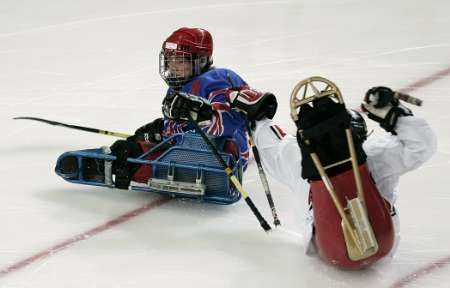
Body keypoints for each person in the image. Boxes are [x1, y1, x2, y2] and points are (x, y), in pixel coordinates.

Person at [230, 84, 437, 268]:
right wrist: (394, 113)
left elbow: (271, 148)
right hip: (382, 241)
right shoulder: (375, 154)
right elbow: (422, 146)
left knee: (291, 156)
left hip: (327, 248)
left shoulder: (296, 155)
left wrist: (258, 119)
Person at [109, 27, 258, 189]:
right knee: (126, 150)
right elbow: (181, 131)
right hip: (188, 154)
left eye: (180, 60)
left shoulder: (217, 80)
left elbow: (227, 124)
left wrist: (202, 116)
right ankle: (118, 161)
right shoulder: (178, 86)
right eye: (170, 60)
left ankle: (135, 166)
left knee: (136, 159)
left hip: (223, 161)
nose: (173, 67)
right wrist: (160, 131)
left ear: (200, 60)